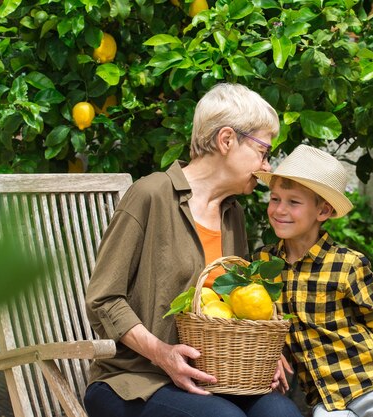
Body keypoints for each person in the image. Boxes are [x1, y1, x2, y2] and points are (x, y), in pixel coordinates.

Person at [84, 83, 302, 417]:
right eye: (263, 151)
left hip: (213, 379)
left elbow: (234, 303)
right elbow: (103, 299)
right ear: (226, 140)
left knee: (281, 413)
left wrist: (260, 357)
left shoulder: (233, 214)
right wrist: (163, 353)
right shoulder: (151, 194)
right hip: (135, 381)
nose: (267, 167)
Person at [252, 144, 373, 417]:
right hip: (327, 400)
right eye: (275, 199)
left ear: (323, 211)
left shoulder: (347, 264)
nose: (279, 210)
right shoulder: (264, 264)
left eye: (293, 202)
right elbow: (260, 322)